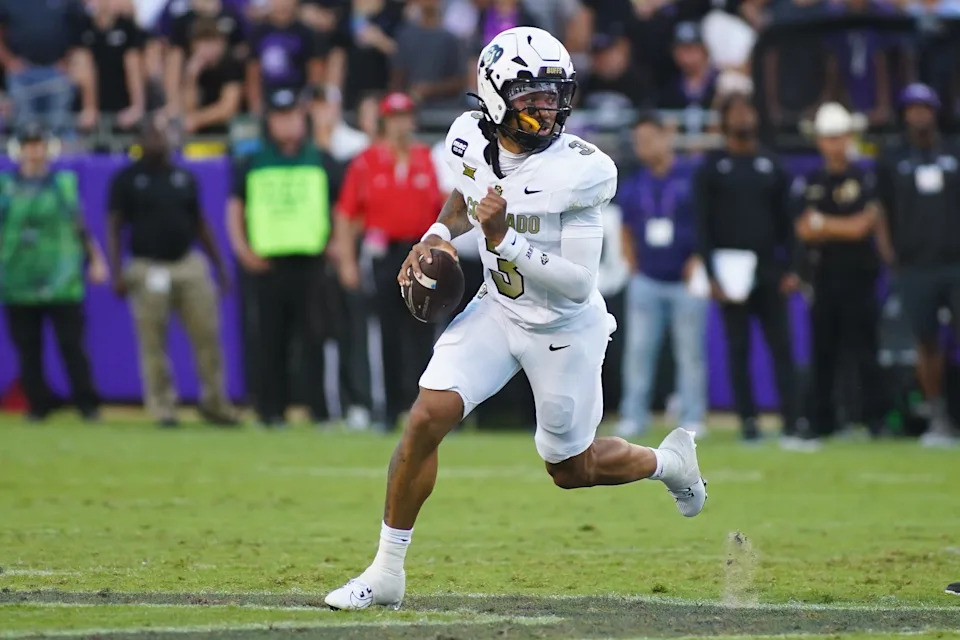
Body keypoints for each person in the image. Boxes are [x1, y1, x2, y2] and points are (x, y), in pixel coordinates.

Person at [325, 26, 706, 611]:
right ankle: (387, 571)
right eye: (531, 97)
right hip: (499, 309)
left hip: (562, 328)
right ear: (496, 97)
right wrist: (434, 237)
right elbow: (464, 194)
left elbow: (581, 282)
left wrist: (503, 240)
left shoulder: (582, 170)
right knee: (428, 415)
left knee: (570, 469)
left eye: (553, 95)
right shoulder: (465, 138)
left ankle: (670, 462)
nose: (546, 108)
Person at [107, 123, 238, 428]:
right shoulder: (127, 179)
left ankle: (216, 403)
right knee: (153, 342)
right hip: (147, 265)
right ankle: (163, 407)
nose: (158, 139)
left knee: (207, 335)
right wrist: (117, 270)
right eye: (152, 134)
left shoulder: (183, 177)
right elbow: (114, 225)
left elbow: (200, 223)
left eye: (162, 134)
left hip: (187, 262)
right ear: (139, 140)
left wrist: (218, 264)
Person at [227, 87, 342, 427]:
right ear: (269, 123)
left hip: (311, 261)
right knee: (269, 340)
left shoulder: (320, 158)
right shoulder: (252, 160)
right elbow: (235, 209)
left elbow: (340, 208)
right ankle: (270, 410)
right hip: (268, 264)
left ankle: (318, 410)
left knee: (314, 340)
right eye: (280, 117)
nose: (287, 124)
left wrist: (335, 243)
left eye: (292, 116)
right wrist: (242, 250)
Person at [695, 93, 806, 445]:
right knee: (737, 348)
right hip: (729, 272)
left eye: (749, 110)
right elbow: (702, 225)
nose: (743, 117)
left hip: (770, 268)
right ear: (724, 120)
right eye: (736, 111)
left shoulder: (772, 165)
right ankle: (748, 423)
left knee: (782, 347)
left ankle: (792, 422)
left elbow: (790, 223)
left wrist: (794, 267)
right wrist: (710, 274)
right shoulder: (711, 167)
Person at [333, 92, 442, 431]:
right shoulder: (366, 162)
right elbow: (347, 215)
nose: (399, 124)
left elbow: (439, 209)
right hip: (383, 253)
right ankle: (388, 407)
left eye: (404, 116)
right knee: (385, 332)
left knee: (423, 332)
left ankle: (423, 407)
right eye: (393, 117)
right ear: (384, 121)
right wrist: (347, 260)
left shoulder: (425, 158)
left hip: (420, 252)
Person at [0, 123, 107, 421]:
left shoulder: (62, 183)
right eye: (28, 145)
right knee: (27, 347)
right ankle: (38, 403)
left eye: (38, 144)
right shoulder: (5, 186)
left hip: (62, 277)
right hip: (17, 278)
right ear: (19, 149)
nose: (34, 151)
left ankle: (87, 403)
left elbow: (79, 224)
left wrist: (95, 259)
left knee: (72, 344)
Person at [793, 103, 885, 438]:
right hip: (824, 277)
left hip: (860, 275)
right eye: (828, 137)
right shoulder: (812, 179)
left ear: (849, 137)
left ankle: (876, 421)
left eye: (839, 136)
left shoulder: (864, 176)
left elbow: (864, 226)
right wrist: (838, 226)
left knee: (865, 349)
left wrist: (823, 224)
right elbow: (803, 229)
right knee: (824, 352)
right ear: (820, 141)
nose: (834, 143)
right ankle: (821, 422)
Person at [875, 84, 960, 447]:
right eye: (912, 108)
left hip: (955, 261)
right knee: (926, 344)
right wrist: (890, 254)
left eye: (925, 107)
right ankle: (938, 416)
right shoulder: (892, 159)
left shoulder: (954, 152)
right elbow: (880, 211)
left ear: (936, 111)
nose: (919, 114)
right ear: (904, 114)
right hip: (915, 265)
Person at [616, 113, 708, 439]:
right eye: (638, 141)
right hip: (648, 278)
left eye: (648, 139)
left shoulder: (692, 177)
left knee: (690, 353)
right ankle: (633, 415)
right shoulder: (634, 184)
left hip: (686, 278)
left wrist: (698, 259)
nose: (643, 147)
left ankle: (693, 417)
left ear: (666, 136)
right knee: (639, 351)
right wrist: (631, 260)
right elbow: (624, 225)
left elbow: (707, 222)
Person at [0, 0, 97, 135]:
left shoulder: (69, 3)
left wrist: (67, 59)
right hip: (21, 73)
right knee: (24, 127)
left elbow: (81, 30)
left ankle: (58, 155)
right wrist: (9, 61)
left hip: (57, 72)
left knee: (58, 125)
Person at [246, 0, 328, 114]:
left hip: (298, 95)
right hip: (268, 95)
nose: (283, 3)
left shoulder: (306, 32)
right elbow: (253, 71)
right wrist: (255, 103)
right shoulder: (258, 32)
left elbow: (315, 70)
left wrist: (310, 100)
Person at [78, 0, 147, 130]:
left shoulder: (126, 27)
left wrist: (137, 106)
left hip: (123, 100)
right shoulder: (84, 27)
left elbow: (133, 68)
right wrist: (90, 107)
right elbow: (85, 67)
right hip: (97, 103)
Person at [388, 0, 465, 110]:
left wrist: (429, 89)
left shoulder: (451, 39)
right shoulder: (405, 36)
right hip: (410, 110)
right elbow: (397, 78)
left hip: (444, 111)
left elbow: (460, 82)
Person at [182, 17, 244, 134]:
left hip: (230, 131)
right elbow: (188, 110)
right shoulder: (194, 68)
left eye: (211, 41)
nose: (207, 48)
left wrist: (198, 119)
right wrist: (191, 79)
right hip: (201, 132)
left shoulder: (230, 65)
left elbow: (229, 108)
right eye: (202, 42)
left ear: (222, 42)